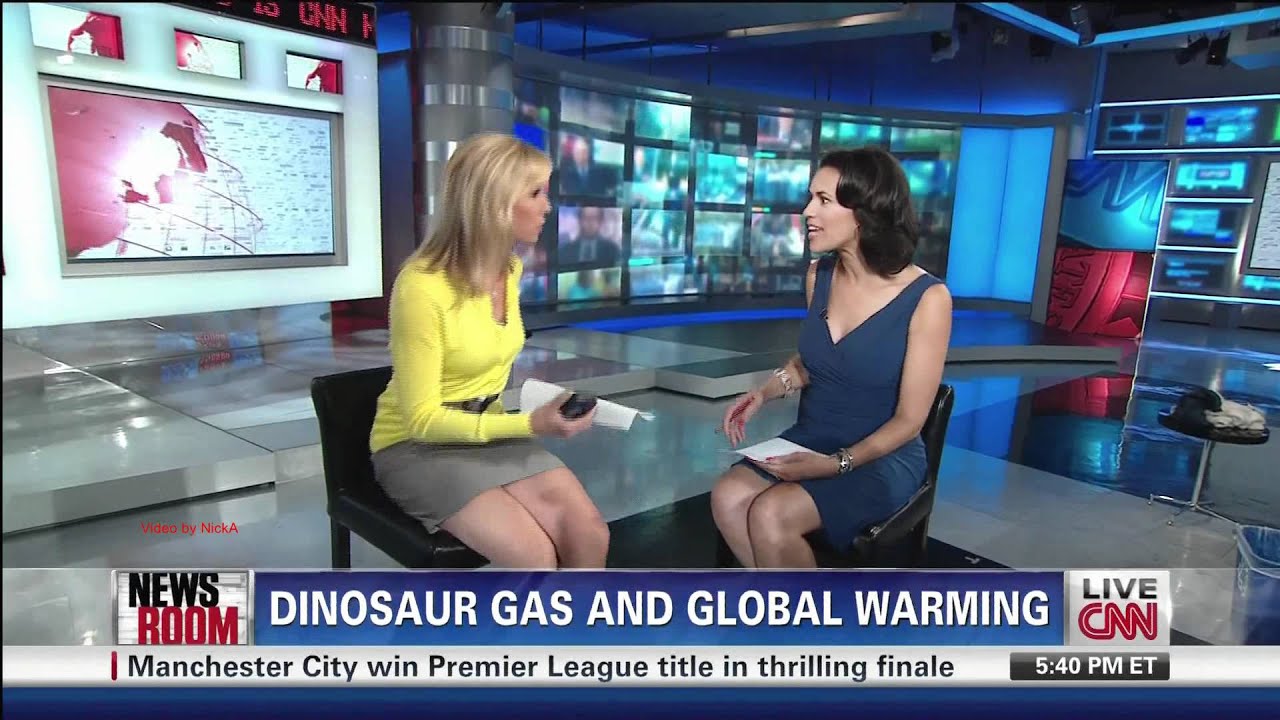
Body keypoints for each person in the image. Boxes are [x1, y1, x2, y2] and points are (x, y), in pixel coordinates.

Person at [370, 133, 610, 569]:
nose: (547, 207)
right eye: (535, 194)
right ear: (493, 203)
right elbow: (422, 420)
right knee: (535, 556)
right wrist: (530, 424)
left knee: (590, 533)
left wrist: (536, 411)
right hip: (416, 445)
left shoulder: (510, 268)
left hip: (489, 430)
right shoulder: (421, 286)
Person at [710, 146, 953, 569]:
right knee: (727, 496)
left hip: (881, 455)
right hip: (814, 436)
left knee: (771, 514)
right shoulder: (817, 275)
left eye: (823, 200)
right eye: (811, 198)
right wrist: (763, 393)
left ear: (864, 212)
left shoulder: (928, 298)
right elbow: (815, 362)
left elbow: (910, 421)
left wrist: (836, 464)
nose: (807, 211)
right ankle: (782, 601)